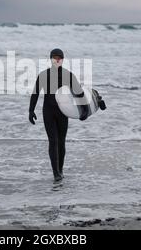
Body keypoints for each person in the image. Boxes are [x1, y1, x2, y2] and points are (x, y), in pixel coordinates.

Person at [29, 49, 89, 182]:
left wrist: (85, 109)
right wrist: (31, 110)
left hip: (63, 112)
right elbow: (35, 93)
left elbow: (79, 93)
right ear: (50, 59)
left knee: (61, 142)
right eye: (54, 57)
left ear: (62, 59)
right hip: (48, 111)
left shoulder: (68, 75)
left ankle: (60, 169)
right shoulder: (44, 75)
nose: (57, 60)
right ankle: (55, 172)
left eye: (59, 58)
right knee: (53, 141)